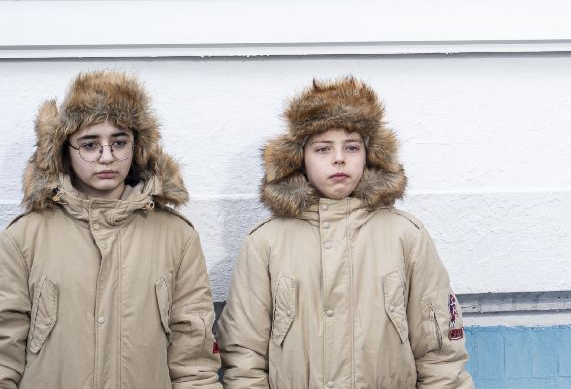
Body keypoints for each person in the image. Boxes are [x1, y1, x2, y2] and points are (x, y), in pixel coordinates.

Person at [219, 77, 473, 389]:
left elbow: (439, 356)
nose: (339, 158)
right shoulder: (265, 243)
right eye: (323, 148)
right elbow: (245, 357)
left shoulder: (406, 236)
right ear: (299, 158)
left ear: (370, 155)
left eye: (351, 147)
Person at [0, 70, 218, 388]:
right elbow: (5, 346)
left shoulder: (177, 237)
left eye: (119, 142)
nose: (106, 157)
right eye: (89, 145)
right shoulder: (25, 237)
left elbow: (194, 356)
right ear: (65, 150)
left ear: (137, 146)